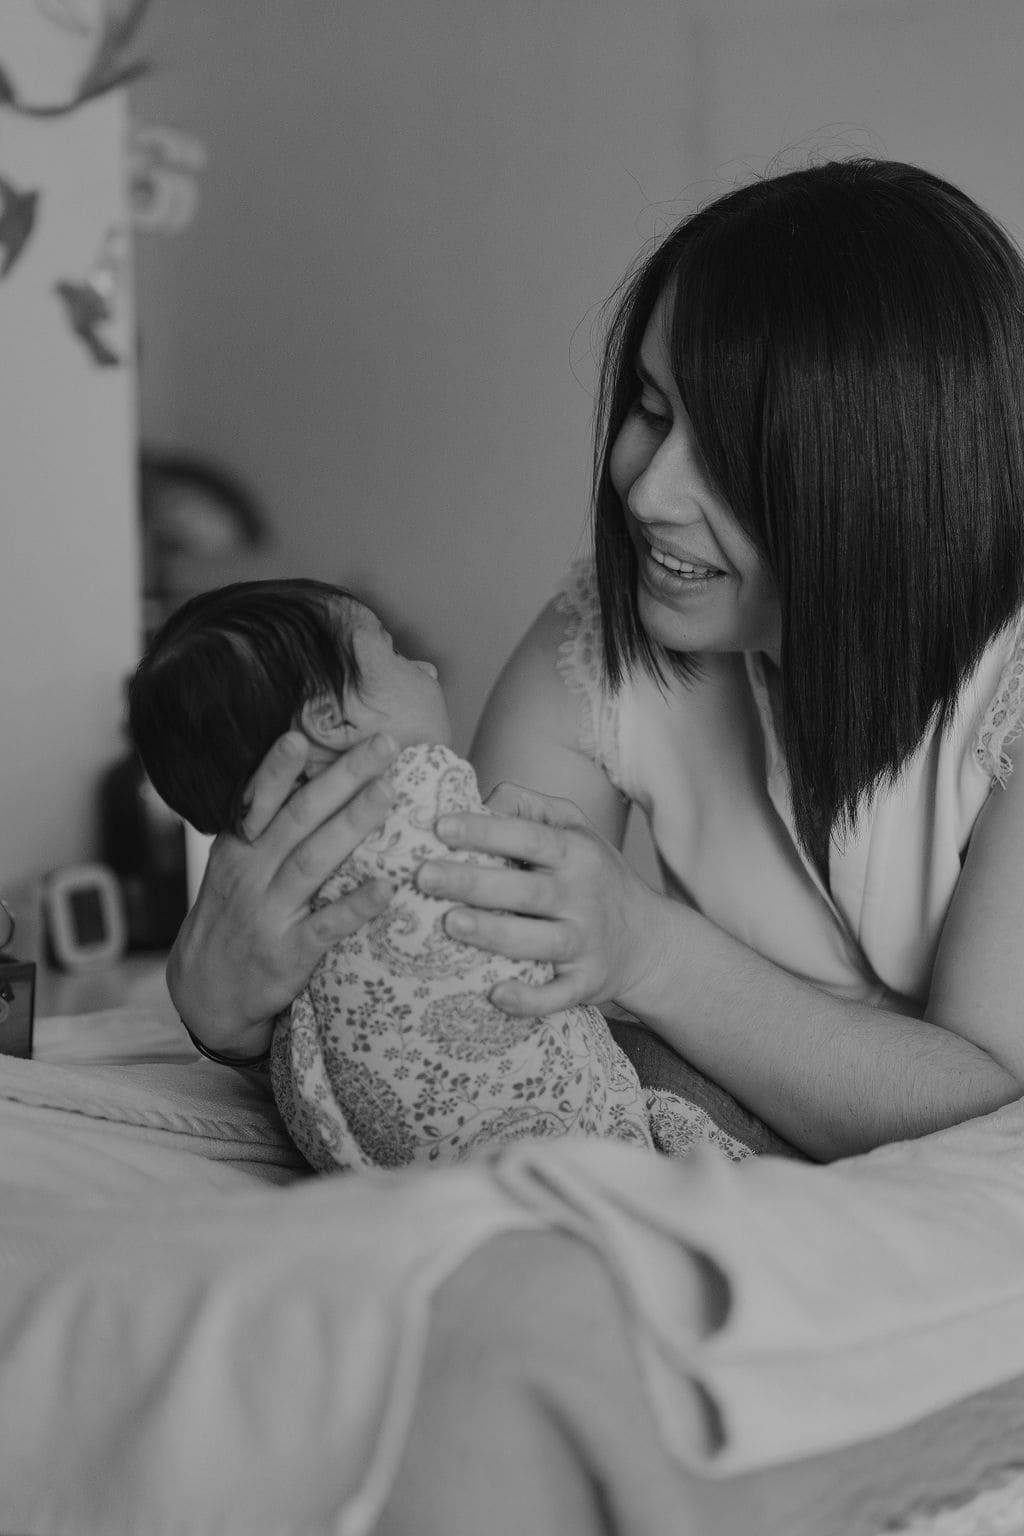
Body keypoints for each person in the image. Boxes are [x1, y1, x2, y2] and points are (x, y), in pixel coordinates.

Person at [164, 158, 1024, 1163]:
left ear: (887, 482)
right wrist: (234, 1017)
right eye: (653, 411)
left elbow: (991, 1104)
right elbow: (463, 990)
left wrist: (649, 949)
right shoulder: (601, 634)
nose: (649, 493)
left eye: (731, 458)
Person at [129, 579, 754, 1170]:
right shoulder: (421, 788)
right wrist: (226, 1030)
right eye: (395, 653)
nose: (427, 669)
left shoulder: (292, 883)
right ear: (332, 721)